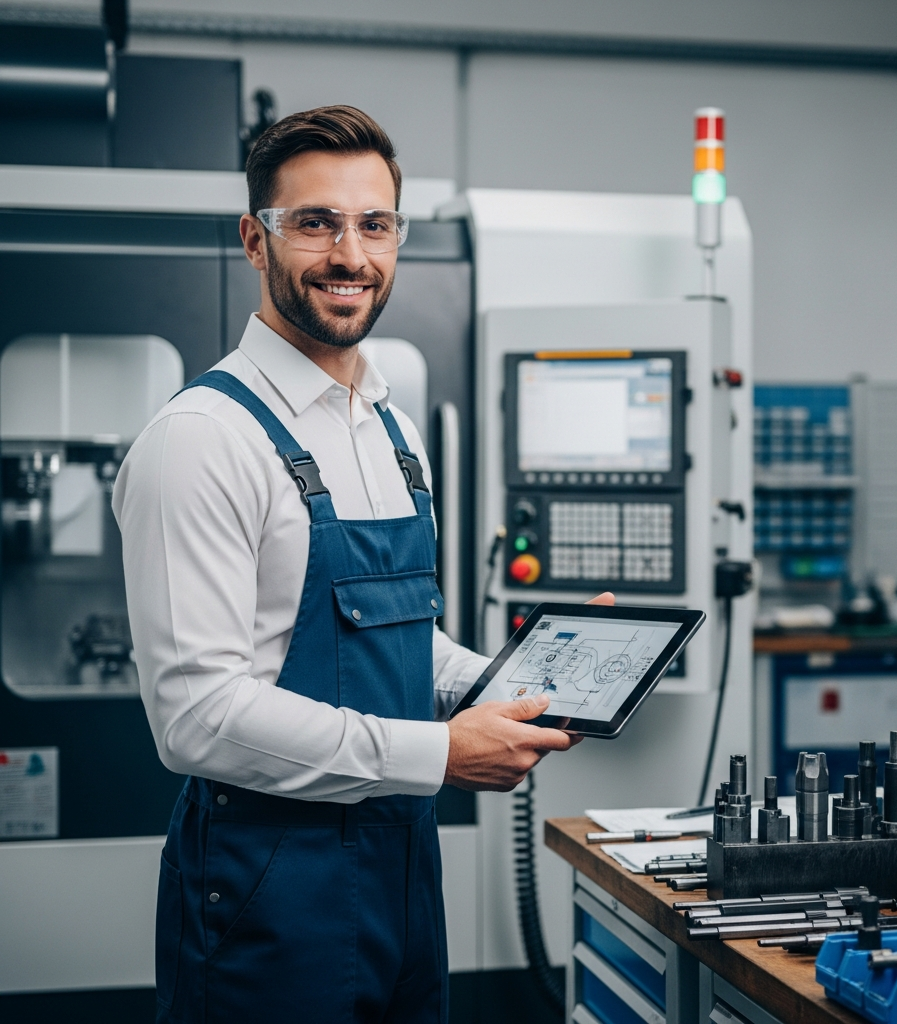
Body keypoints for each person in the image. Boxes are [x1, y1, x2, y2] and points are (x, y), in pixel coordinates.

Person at [113, 104, 612, 1023]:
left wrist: (529, 676)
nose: (350, 254)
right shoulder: (200, 439)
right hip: (269, 898)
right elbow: (197, 719)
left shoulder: (390, 428)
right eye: (315, 223)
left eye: (373, 225)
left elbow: (394, 640)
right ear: (254, 242)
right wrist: (440, 752)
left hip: (401, 881)